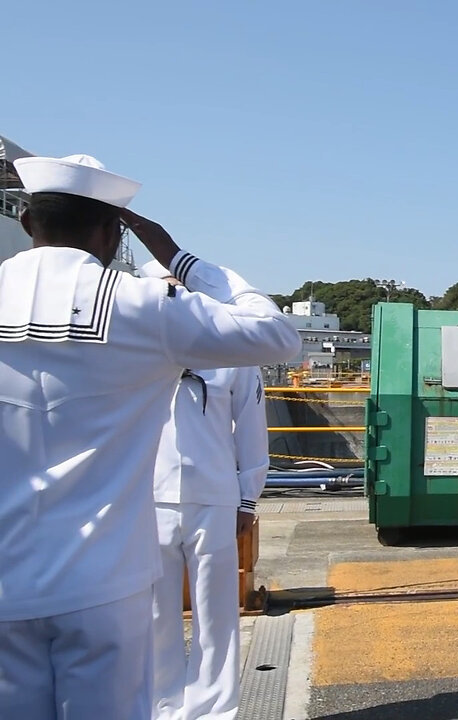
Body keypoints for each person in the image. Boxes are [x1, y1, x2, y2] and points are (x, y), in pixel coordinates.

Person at [0, 153, 302, 720]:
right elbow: (278, 335)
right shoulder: (144, 308)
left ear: (26, 223)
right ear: (115, 232)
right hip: (103, 579)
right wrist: (184, 262)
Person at [140, 261, 271, 719]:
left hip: (214, 494)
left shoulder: (231, 351)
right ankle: (163, 707)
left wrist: (247, 495)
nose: (174, 296)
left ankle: (215, 710)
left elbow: (251, 428)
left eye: (181, 287)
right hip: (146, 495)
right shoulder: (135, 349)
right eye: (165, 289)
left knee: (216, 614)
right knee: (155, 615)